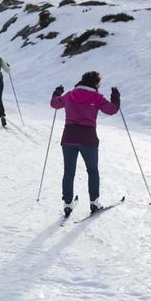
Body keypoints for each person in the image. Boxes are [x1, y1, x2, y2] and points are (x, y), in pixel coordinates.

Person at [50, 73, 120, 215]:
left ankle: (67, 203)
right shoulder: (96, 97)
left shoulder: (70, 95)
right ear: (95, 83)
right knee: (92, 170)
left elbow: (54, 104)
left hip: (69, 137)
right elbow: (112, 110)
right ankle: (94, 202)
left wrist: (57, 92)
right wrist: (115, 96)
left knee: (69, 171)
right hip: (88, 138)